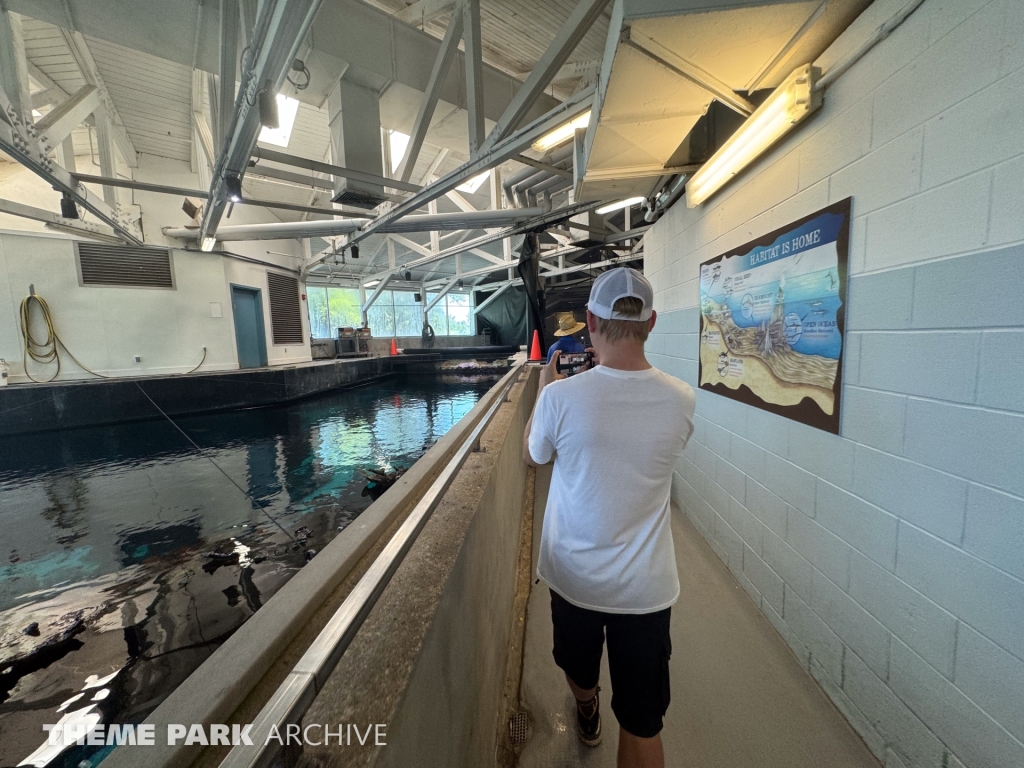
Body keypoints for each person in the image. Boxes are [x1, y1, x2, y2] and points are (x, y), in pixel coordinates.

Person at [522, 268, 696, 768]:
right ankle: (607, 712)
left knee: (576, 664)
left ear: (590, 322)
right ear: (653, 322)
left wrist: (545, 386)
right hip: (646, 587)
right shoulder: (682, 400)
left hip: (573, 575)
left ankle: (587, 708)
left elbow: (533, 455)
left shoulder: (560, 397)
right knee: (643, 722)